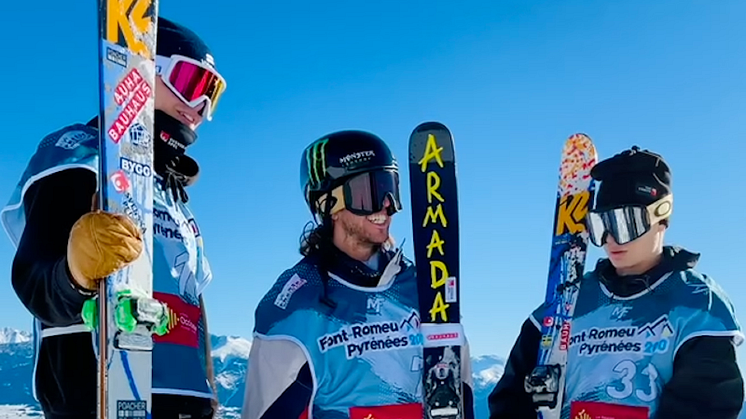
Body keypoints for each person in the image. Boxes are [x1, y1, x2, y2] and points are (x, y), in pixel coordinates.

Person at [0, 17, 228, 419]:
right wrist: (75, 275)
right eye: (192, 83)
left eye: (213, 94)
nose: (200, 107)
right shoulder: (82, 157)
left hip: (187, 403)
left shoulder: (173, 194)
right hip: (101, 395)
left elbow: (196, 311)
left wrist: (209, 396)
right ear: (142, 68)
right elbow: (35, 281)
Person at [488, 146, 744, 419]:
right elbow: (511, 400)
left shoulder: (697, 306)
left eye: (625, 223)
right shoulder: (566, 303)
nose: (610, 239)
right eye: (600, 225)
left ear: (661, 218)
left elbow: (706, 407)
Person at [241, 130, 475, 419]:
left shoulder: (424, 288)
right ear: (329, 205)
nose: (387, 206)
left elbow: (459, 387)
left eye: (392, 189)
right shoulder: (295, 305)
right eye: (370, 193)